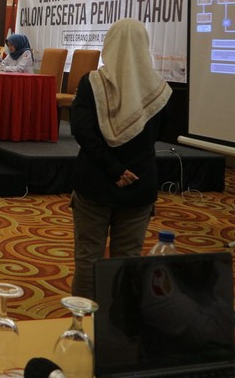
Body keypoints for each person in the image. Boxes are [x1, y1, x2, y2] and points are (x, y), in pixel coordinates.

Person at [68, 18, 172, 299]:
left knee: (88, 260)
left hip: (95, 181)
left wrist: (113, 168)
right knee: (128, 261)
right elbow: (156, 137)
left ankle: (83, 320)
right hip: (139, 184)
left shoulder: (92, 83)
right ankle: (120, 321)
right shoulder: (160, 90)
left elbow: (82, 130)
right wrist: (126, 169)